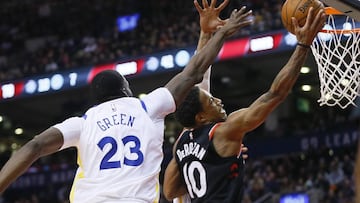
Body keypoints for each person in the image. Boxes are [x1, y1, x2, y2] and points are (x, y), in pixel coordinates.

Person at [0, 4, 254, 203]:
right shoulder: (147, 107)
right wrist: (219, 33)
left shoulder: (83, 122)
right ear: (126, 90)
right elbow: (194, 74)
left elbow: (33, 147)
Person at [163, 6, 326, 203]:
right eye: (212, 101)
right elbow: (274, 95)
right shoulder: (224, 131)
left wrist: (206, 33)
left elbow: (170, 191)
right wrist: (303, 45)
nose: (219, 100)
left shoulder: (180, 143)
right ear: (201, 117)